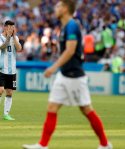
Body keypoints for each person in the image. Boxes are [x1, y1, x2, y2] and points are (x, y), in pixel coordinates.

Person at [22, 0, 112, 149]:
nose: (55, 9)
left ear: (65, 9)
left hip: (74, 76)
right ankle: (43, 145)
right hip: (64, 75)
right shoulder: (64, 27)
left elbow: (70, 51)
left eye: (58, 6)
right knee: (52, 107)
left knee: (86, 110)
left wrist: (53, 67)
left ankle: (105, 144)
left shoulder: (72, 26)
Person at [0, 20, 22, 120]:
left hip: (12, 70)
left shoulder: (15, 38)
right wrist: (9, 36)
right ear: (5, 28)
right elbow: (3, 47)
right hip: (1, 69)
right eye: (10, 28)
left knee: (9, 92)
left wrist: (13, 36)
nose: (12, 29)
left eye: (13, 28)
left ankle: (6, 114)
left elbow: (19, 49)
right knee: (0, 91)